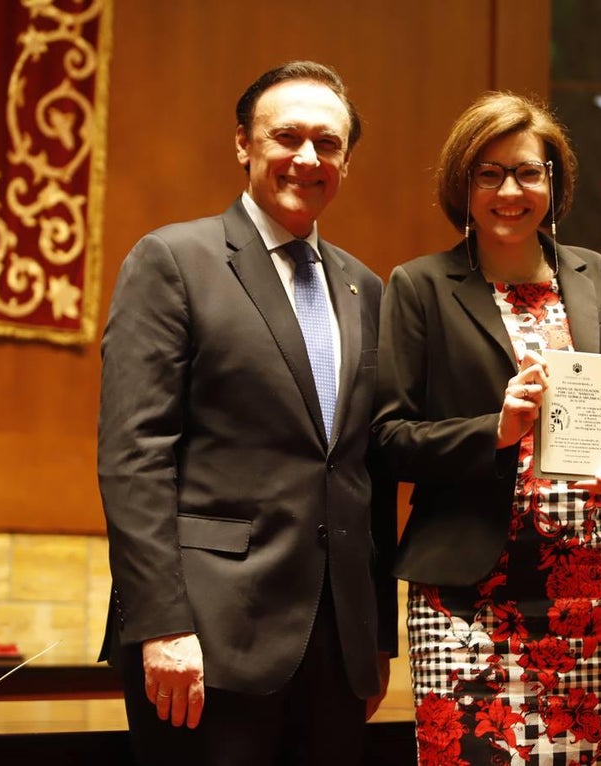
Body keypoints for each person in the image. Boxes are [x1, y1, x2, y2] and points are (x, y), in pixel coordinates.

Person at [97, 60, 396, 766]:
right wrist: (162, 625)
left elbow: (367, 471)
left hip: (336, 651)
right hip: (206, 639)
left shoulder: (366, 288)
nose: (307, 157)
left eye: (327, 143)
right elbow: (134, 456)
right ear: (243, 143)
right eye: (286, 136)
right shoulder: (174, 260)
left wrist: (375, 639)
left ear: (347, 161)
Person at [372, 92, 601, 764]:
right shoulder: (420, 286)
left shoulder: (595, 278)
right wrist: (493, 431)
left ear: (553, 182)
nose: (510, 191)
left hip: (587, 586)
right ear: (462, 185)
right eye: (489, 174)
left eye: (528, 172)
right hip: (468, 597)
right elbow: (387, 440)